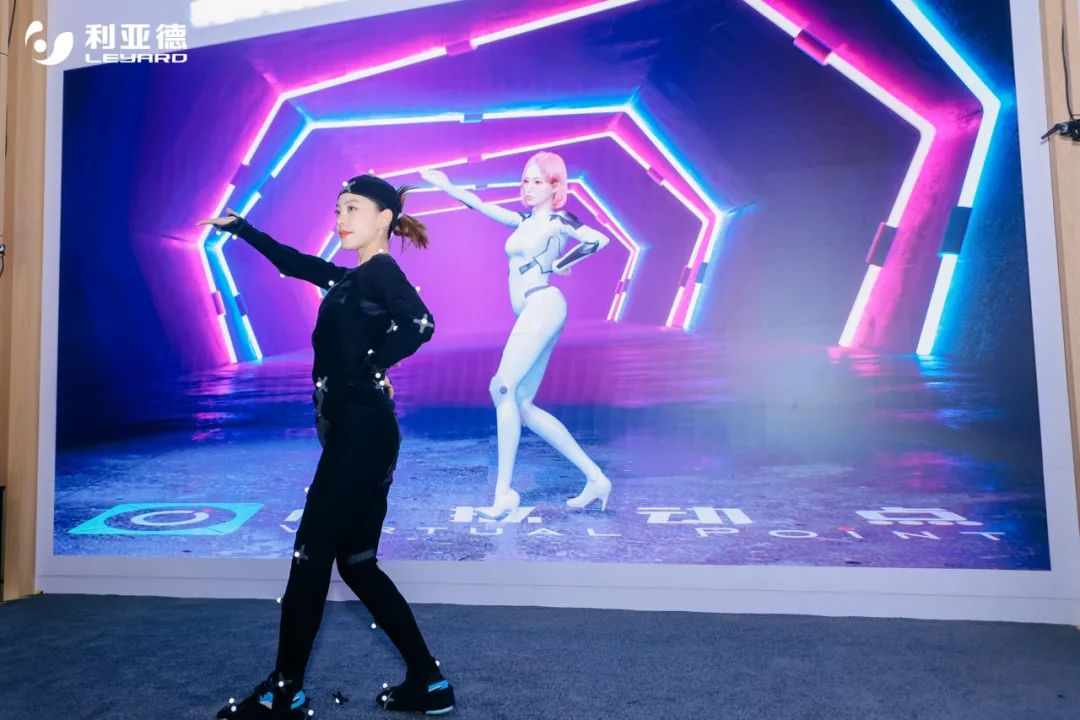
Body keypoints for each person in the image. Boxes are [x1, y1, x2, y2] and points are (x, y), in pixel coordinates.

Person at [198, 174, 454, 718]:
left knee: (311, 555)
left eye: (353, 208)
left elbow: (420, 323)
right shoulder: (350, 280)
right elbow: (295, 263)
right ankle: (429, 682)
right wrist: (242, 229)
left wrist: (368, 366)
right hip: (360, 432)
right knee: (356, 563)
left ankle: (284, 690)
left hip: (362, 433)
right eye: (338, 209)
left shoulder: (380, 271)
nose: (341, 218)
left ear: (384, 218)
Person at [420, 152, 613, 519]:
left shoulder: (558, 219)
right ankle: (596, 479)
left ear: (555, 186)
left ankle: (504, 493)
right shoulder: (523, 220)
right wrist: (445, 185)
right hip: (532, 310)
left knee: (502, 387)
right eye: (525, 180)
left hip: (543, 302)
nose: (528, 187)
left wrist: (562, 264)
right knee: (522, 405)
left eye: (537, 181)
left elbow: (597, 240)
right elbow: (479, 205)